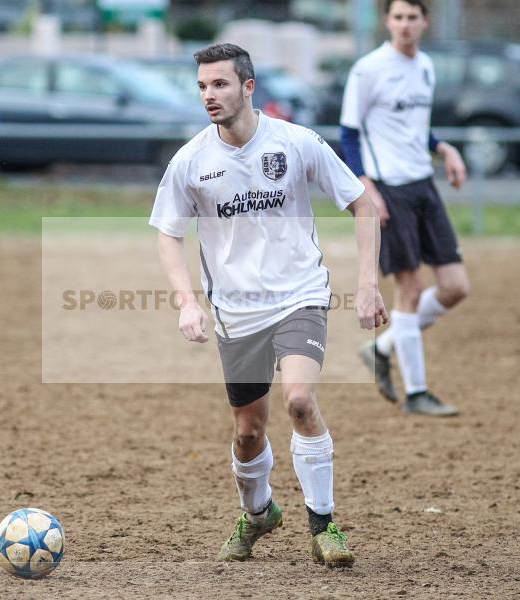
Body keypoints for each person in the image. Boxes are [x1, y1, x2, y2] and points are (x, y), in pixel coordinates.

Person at [149, 43, 388, 567]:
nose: (209, 95)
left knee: (299, 400)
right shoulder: (191, 161)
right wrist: (187, 304)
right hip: (236, 312)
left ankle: (324, 526)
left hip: (300, 294)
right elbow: (167, 233)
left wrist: (367, 283)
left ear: (249, 86)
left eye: (220, 85)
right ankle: (258, 514)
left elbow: (363, 204)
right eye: (203, 87)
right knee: (248, 430)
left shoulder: (296, 142)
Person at [340, 0, 471, 417]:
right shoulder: (368, 69)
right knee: (410, 289)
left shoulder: (426, 67)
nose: (405, 25)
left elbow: (417, 127)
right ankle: (417, 393)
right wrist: (367, 188)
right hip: (389, 190)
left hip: (423, 185)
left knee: (455, 286)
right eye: (397, 17)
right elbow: (349, 133)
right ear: (387, 21)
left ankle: (382, 347)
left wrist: (443, 148)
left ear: (425, 21)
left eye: (412, 17)